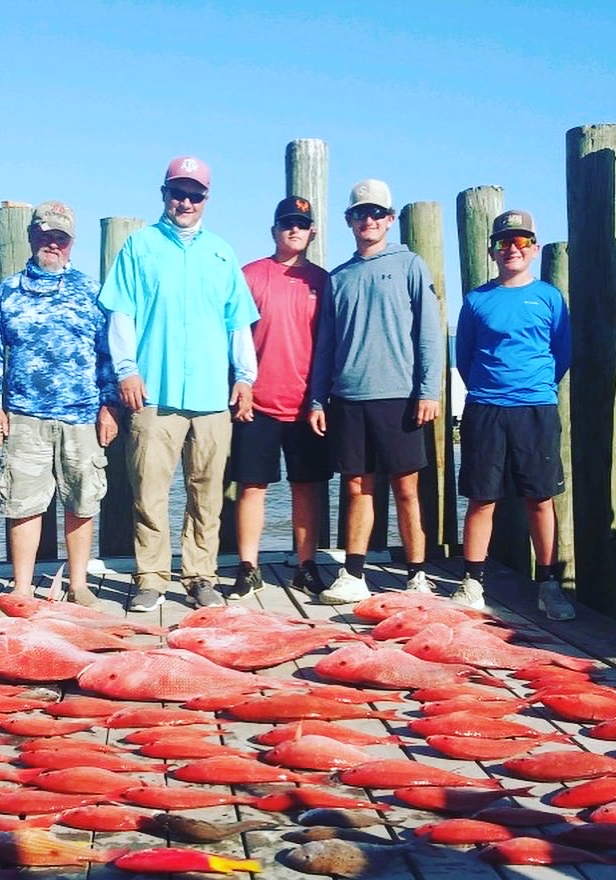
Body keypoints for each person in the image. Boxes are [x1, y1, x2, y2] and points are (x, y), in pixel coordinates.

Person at [99, 156, 258, 612]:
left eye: (195, 195)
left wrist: (245, 377)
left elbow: (237, 323)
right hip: (153, 392)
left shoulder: (222, 252)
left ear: (206, 199)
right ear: (164, 194)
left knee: (207, 494)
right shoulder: (139, 246)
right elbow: (121, 313)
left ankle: (200, 576)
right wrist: (126, 369)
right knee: (149, 492)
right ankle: (150, 576)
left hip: (211, 396)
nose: (185, 202)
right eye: (178, 193)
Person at [0, 201, 120, 609]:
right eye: (45, 235)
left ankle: (79, 584)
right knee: (23, 503)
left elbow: (107, 354)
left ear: (71, 242)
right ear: (31, 236)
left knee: (82, 500)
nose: (52, 243)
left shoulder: (91, 291)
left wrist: (110, 406)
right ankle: (22, 588)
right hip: (24, 416)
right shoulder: (8, 290)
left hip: (82, 416)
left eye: (61, 237)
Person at [308, 178, 443, 604]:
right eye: (360, 213)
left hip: (399, 397)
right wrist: (318, 398)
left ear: (390, 219)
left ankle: (416, 574)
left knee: (406, 489)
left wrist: (429, 391)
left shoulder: (410, 265)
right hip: (348, 398)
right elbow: (325, 344)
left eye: (376, 213)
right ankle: (353, 573)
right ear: (349, 220)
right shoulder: (338, 277)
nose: (368, 220)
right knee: (355, 488)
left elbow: (430, 333)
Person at [451, 208, 575, 621]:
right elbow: (465, 357)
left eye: (522, 241)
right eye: (504, 242)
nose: (513, 249)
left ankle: (549, 585)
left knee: (540, 498)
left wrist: (534, 388)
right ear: (492, 250)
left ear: (534, 249)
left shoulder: (549, 297)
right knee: (482, 497)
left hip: (535, 409)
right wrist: (490, 390)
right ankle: (472, 582)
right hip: (486, 408)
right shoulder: (476, 300)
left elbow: (561, 353)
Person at [228, 196, 331, 600]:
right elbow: (232, 336)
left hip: (308, 406)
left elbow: (330, 345)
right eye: (287, 223)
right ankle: (248, 567)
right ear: (274, 230)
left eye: (301, 224)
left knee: (307, 486)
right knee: (252, 486)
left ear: (312, 232)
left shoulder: (323, 281)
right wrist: (239, 386)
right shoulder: (251, 275)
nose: (294, 230)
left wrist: (321, 399)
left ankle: (306, 565)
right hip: (257, 403)